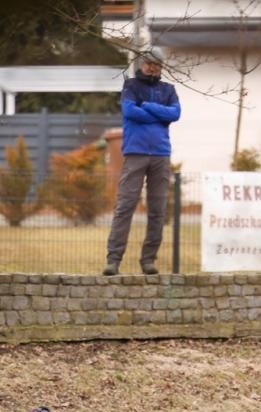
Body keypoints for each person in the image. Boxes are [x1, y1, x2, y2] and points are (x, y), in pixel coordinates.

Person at [104, 46, 180, 277]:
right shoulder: (131, 86)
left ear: (160, 67)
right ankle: (113, 260)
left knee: (157, 210)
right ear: (142, 63)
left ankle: (148, 260)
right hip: (135, 153)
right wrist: (159, 114)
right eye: (148, 63)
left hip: (161, 155)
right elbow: (129, 112)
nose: (151, 67)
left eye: (156, 64)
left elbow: (175, 114)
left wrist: (147, 106)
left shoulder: (169, 89)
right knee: (125, 207)